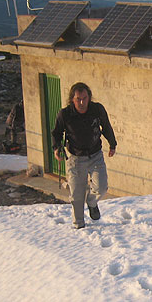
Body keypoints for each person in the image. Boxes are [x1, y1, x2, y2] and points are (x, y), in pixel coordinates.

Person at [52, 82, 117, 229]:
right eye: (78, 99)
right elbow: (56, 133)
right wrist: (56, 148)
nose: (81, 102)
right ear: (72, 99)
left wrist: (112, 144)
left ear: (89, 97)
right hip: (75, 158)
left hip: (95, 155)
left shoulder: (97, 109)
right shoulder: (65, 114)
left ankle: (92, 202)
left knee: (101, 187)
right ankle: (79, 226)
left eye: (84, 98)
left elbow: (106, 127)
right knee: (76, 195)